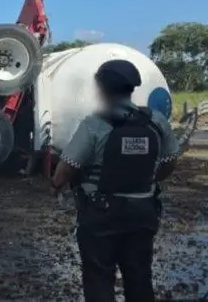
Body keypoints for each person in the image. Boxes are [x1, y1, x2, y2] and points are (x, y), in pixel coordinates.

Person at [50, 60, 181, 302]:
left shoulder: (95, 124)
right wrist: (149, 180)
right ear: (132, 87)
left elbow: (65, 170)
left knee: (99, 277)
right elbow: (171, 160)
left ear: (101, 89)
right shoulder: (155, 120)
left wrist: (57, 184)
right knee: (140, 276)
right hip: (144, 212)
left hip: (101, 215)